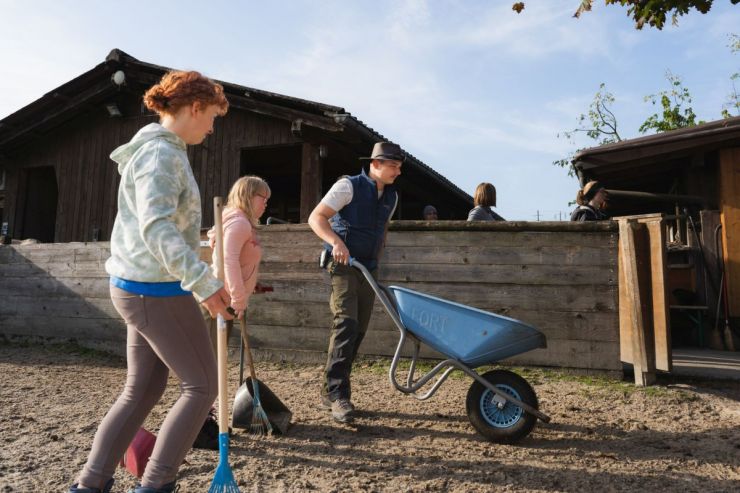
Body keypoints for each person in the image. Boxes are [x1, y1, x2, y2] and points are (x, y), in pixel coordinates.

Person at [69, 71, 233, 493]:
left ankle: (90, 484)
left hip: (139, 284)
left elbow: (162, 229)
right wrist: (204, 282)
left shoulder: (159, 151)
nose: (213, 128)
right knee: (202, 386)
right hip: (154, 291)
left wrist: (197, 248)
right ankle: (156, 484)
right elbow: (156, 228)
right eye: (212, 117)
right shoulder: (161, 155)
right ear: (194, 107)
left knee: (143, 388)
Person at [308, 141, 402, 423]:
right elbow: (317, 217)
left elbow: (382, 230)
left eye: (399, 167)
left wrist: (377, 259)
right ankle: (338, 394)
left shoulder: (391, 197)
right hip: (344, 265)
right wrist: (335, 242)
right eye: (393, 166)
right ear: (375, 164)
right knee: (346, 323)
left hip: (368, 268)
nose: (397, 172)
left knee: (359, 329)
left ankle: (332, 389)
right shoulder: (348, 186)